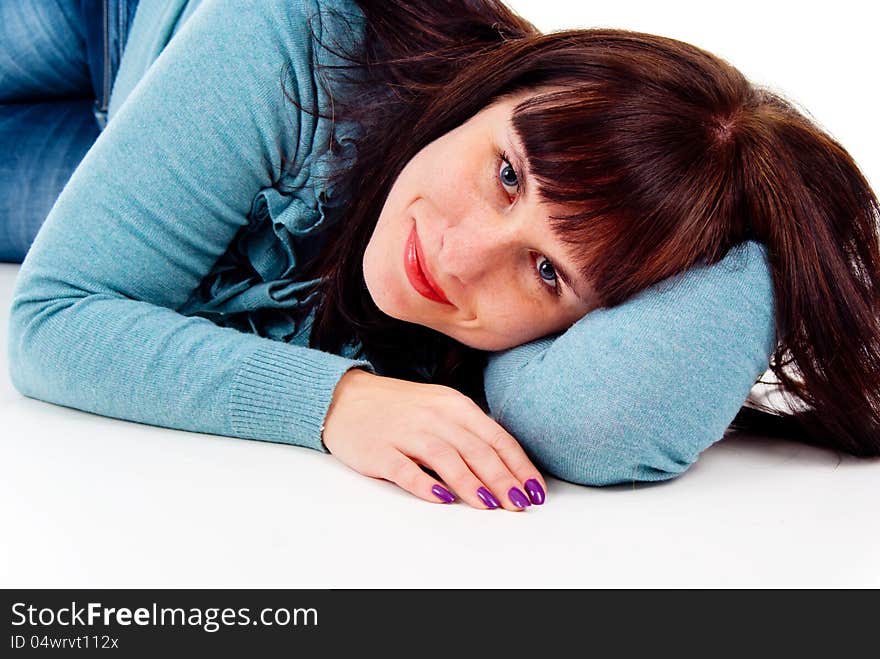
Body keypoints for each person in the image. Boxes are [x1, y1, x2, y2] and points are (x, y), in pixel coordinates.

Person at [4, 1, 879, 512]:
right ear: (502, 86)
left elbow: (602, 421)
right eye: (506, 173)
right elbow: (53, 317)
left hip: (113, 133)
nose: (458, 258)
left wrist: (774, 226)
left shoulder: (532, 340)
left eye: (545, 272)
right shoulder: (293, 42)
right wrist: (338, 403)